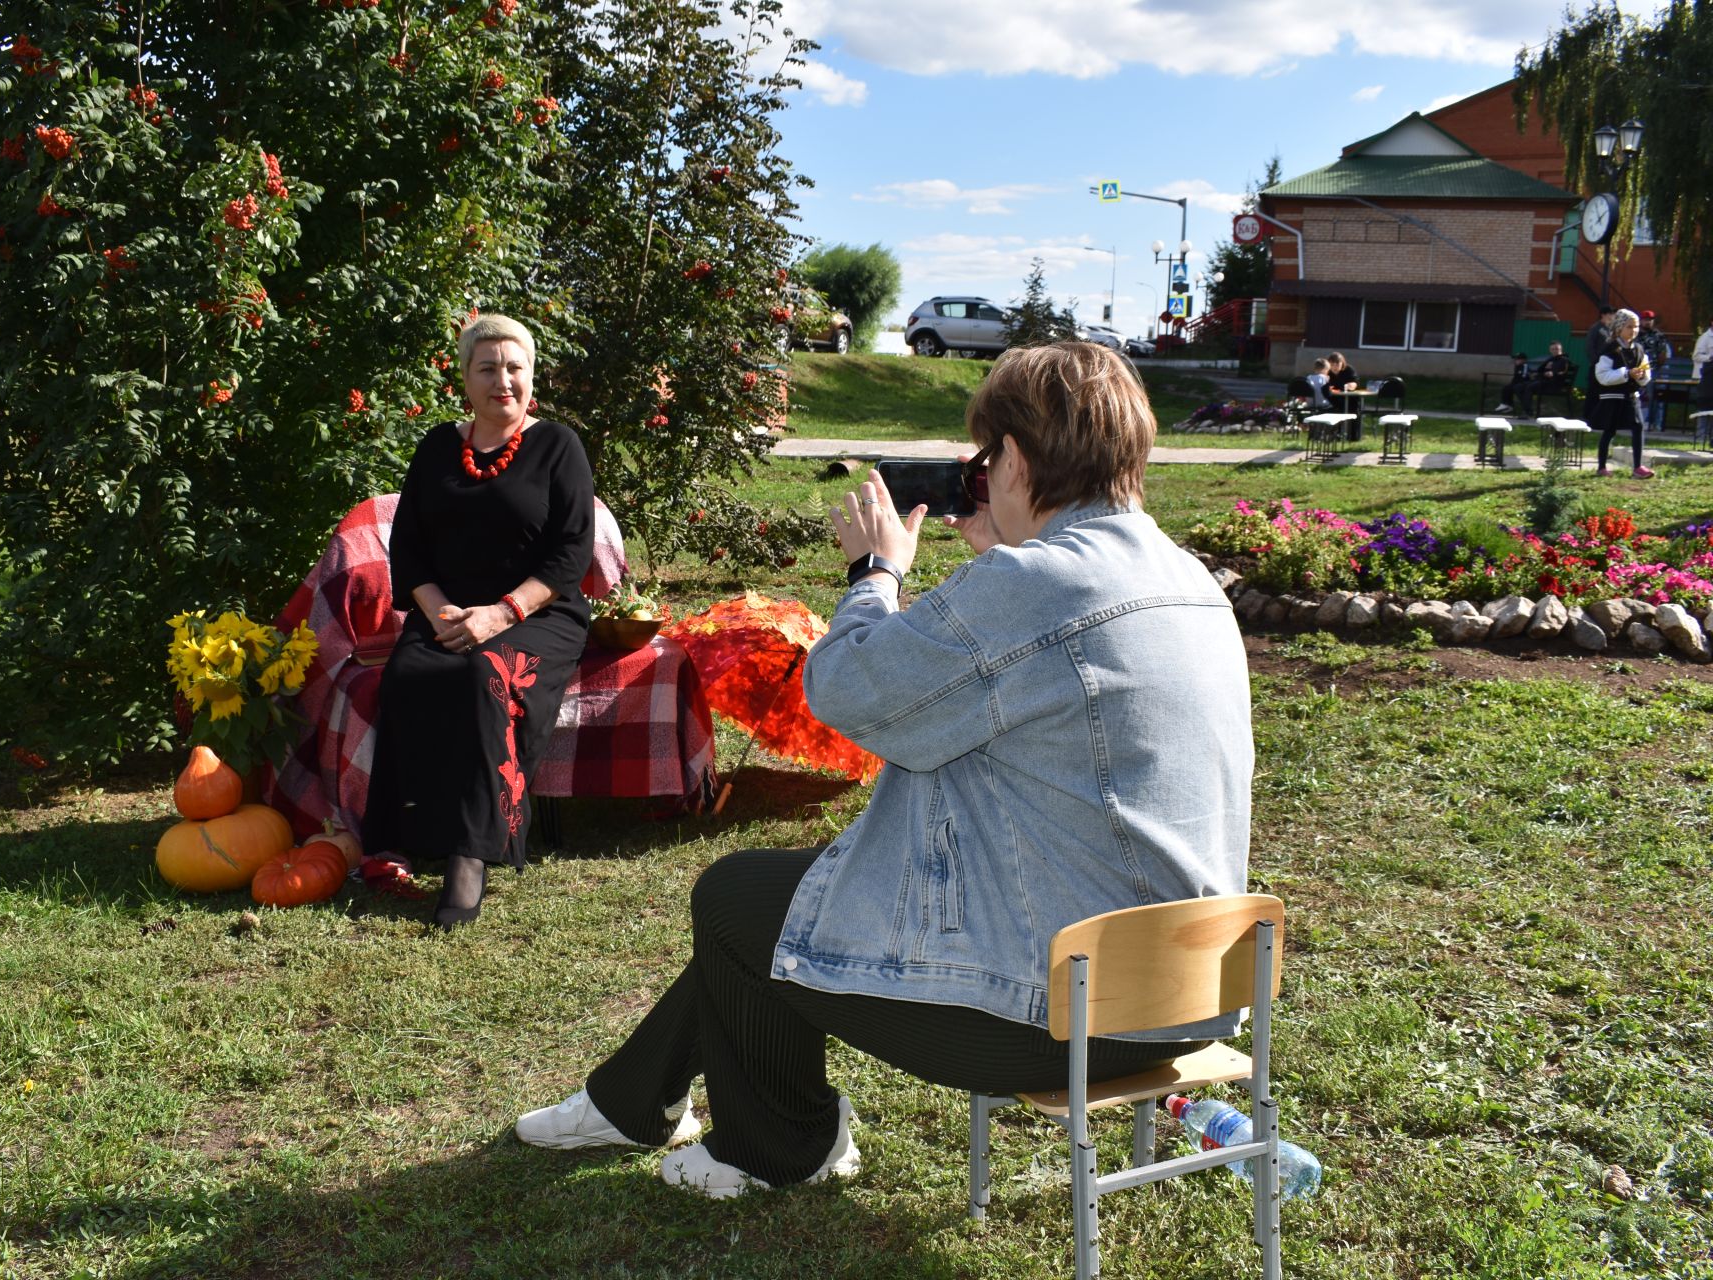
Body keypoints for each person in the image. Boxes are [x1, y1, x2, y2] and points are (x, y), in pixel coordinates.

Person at [516, 342, 1253, 1197]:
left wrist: (874, 574)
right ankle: (631, 1100)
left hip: (1059, 1012)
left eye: (985, 460)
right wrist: (998, 553)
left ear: (1012, 457)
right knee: (778, 906)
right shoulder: (1185, 576)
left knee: (736, 901)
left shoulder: (1036, 583)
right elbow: (1034, 669)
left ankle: (781, 1148)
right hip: (1190, 987)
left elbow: (847, 688)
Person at [363, 314, 595, 929]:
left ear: (532, 375)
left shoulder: (558, 446)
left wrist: (501, 612)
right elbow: (407, 547)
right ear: (464, 377)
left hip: (538, 610)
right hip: (447, 609)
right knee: (408, 673)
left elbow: (571, 555)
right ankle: (412, 835)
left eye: (514, 367)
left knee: (483, 676)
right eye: (487, 368)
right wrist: (440, 611)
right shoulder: (438, 446)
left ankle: (472, 854)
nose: (503, 380)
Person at [1592, 307, 1653, 479]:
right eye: (1629, 327)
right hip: (1613, 397)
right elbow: (1602, 376)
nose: (1633, 331)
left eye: (1636, 327)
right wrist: (1626, 373)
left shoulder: (1639, 349)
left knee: (1638, 426)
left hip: (1631, 396)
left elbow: (1645, 370)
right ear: (1619, 328)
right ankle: (1602, 466)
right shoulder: (1610, 349)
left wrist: (1642, 376)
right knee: (1610, 430)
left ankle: (1638, 467)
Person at [1494, 342, 1574, 415]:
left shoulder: (1564, 360)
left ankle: (1527, 412)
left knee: (1530, 386)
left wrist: (1553, 373)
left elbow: (1562, 371)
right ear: (1550, 350)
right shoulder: (1551, 359)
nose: (1555, 351)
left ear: (1561, 349)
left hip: (1553, 384)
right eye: (1553, 349)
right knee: (1518, 387)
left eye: (1557, 349)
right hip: (1543, 381)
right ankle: (1527, 409)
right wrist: (1542, 372)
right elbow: (1540, 370)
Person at [1638, 311, 1673, 428]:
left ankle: (1655, 422)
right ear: (1641, 321)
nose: (1647, 322)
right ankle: (1641, 421)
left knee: (1655, 396)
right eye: (1645, 319)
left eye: (1650, 320)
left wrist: (1658, 364)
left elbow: (1662, 354)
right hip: (1638, 370)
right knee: (1643, 396)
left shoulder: (1659, 336)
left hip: (1654, 370)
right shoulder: (1636, 334)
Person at [1584, 305, 1615, 425]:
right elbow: (1589, 347)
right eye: (1611, 314)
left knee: (1604, 393)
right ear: (1604, 314)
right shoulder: (1596, 328)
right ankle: (1588, 417)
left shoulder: (1611, 330)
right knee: (1593, 392)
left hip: (1608, 367)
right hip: (1597, 366)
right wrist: (1595, 362)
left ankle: (1600, 417)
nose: (1613, 316)